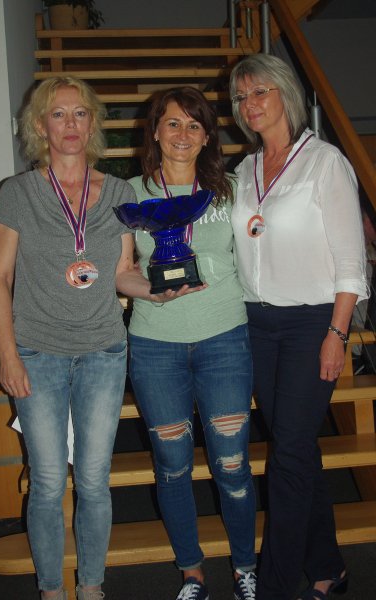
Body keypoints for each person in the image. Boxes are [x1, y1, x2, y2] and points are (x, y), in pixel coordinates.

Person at [0, 75, 149, 600]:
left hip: (104, 352)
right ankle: (52, 589)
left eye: (80, 113)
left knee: (95, 480)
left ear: (93, 122)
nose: (70, 123)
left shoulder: (119, 193)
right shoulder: (17, 193)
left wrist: (156, 290)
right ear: (40, 127)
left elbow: (122, 273)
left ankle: (92, 586)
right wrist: (7, 356)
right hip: (37, 353)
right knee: (49, 480)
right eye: (58, 114)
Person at [229, 54, 369, 600]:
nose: (249, 104)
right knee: (297, 448)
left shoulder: (324, 163)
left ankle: (276, 585)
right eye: (241, 96)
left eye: (259, 91)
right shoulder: (244, 171)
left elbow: (351, 261)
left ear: (284, 92)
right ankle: (328, 568)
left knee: (287, 453)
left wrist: (338, 333)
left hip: (312, 323)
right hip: (255, 324)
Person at [117, 86, 257, 600]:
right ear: (154, 130)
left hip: (224, 338)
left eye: (194, 125)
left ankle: (245, 567)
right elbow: (122, 272)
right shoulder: (129, 192)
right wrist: (151, 292)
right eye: (172, 123)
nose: (183, 133)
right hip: (156, 345)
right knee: (173, 466)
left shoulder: (232, 190)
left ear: (206, 137)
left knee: (231, 463)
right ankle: (191, 572)